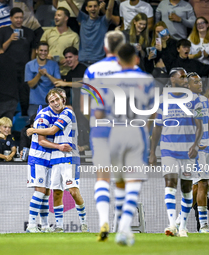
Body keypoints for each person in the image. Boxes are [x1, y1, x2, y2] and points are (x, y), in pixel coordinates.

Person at [95, 43, 154, 245]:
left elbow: (98, 113)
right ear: (137, 60)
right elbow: (152, 110)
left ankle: (120, 227)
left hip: (114, 132)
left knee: (118, 181)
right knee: (133, 182)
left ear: (118, 62)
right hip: (137, 132)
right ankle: (123, 228)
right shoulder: (146, 80)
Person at [82, 30, 126, 241]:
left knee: (102, 176)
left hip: (99, 127)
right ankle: (119, 226)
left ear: (105, 47)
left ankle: (103, 222)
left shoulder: (92, 70)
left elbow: (85, 104)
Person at [149, 67, 203, 238]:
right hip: (168, 149)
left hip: (187, 151)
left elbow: (200, 126)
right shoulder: (162, 100)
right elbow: (157, 127)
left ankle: (183, 226)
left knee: (186, 188)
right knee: (170, 183)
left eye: (186, 77)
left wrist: (195, 145)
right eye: (181, 77)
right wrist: (152, 152)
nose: (185, 79)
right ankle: (172, 224)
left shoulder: (194, 99)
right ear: (172, 80)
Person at [27, 88, 88, 233]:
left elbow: (53, 130)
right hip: (55, 158)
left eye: (57, 100)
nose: (55, 103)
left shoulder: (67, 112)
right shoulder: (49, 115)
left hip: (70, 157)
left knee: (73, 191)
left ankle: (84, 223)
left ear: (63, 99)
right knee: (57, 192)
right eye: (51, 101)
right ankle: (58, 226)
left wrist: (33, 130)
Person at [175, 73, 209, 233]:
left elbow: (206, 124)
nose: (200, 84)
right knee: (196, 187)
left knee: (200, 186)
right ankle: (188, 223)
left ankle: (193, 224)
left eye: (200, 81)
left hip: (204, 153)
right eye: (196, 82)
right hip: (191, 152)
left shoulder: (201, 101)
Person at [25, 102, 73, 233]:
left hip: (48, 158)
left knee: (46, 194)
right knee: (40, 191)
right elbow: (41, 141)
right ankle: (31, 225)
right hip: (38, 157)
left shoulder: (54, 121)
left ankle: (45, 226)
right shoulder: (42, 118)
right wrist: (59, 147)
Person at [0, 7, 36, 116]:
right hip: (8, 71)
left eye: (21, 18)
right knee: (9, 98)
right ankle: (6, 121)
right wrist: (10, 39)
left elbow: (33, 50)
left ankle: (24, 120)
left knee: (24, 97)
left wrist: (31, 67)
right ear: (10, 18)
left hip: (24, 71)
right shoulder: (3, 31)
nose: (19, 20)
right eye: (16, 18)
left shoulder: (29, 32)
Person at [54, 46, 89, 152]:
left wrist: (65, 83)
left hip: (86, 105)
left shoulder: (83, 69)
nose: (68, 59)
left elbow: (84, 83)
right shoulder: (70, 73)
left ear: (76, 57)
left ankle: (88, 148)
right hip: (74, 107)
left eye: (70, 57)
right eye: (66, 57)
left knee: (85, 127)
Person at [65, 0, 112, 66]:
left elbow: (110, 9)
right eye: (90, 6)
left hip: (98, 62)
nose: (93, 8)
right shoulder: (83, 18)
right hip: (82, 62)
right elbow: (69, 2)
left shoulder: (103, 21)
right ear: (86, 8)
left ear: (99, 7)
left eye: (95, 6)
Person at [40, 7, 79, 77]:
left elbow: (77, 55)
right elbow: (40, 50)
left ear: (66, 18)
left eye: (59, 15)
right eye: (55, 15)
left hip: (66, 73)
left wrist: (69, 61)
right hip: (48, 71)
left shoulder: (74, 36)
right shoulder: (48, 33)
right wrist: (45, 55)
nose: (55, 17)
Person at [25, 42, 61, 117]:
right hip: (35, 103)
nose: (43, 53)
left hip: (51, 103)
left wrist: (47, 74)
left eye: (45, 51)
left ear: (48, 52)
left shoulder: (54, 64)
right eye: (41, 50)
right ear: (36, 51)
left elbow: (58, 83)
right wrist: (39, 74)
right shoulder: (29, 65)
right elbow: (30, 84)